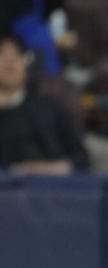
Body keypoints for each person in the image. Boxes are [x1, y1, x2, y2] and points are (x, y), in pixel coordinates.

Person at [0, 31, 87, 174]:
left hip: (55, 189)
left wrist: (53, 168)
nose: (10, 61)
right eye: (2, 54)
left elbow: (81, 159)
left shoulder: (50, 107)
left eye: (17, 54)